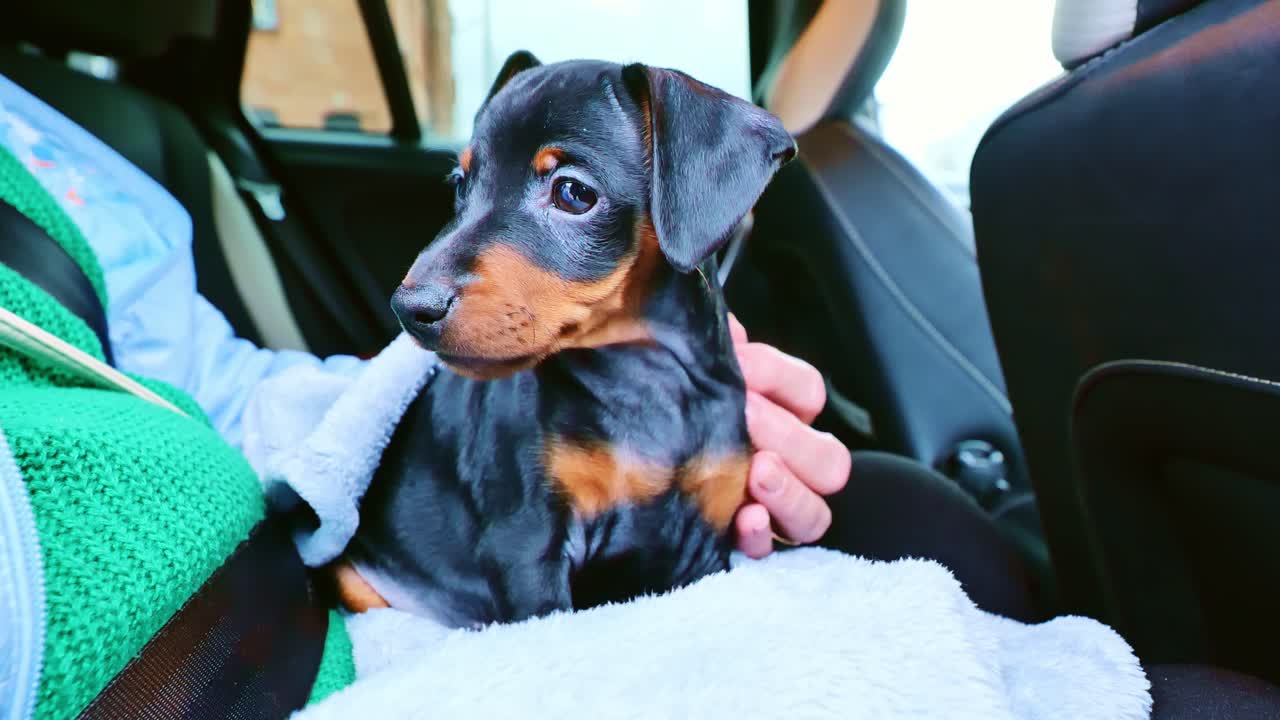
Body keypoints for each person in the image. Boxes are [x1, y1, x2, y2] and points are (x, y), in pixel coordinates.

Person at [0, 70, 850, 558]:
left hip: (265, 448)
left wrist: (610, 395)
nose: (420, 286)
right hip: (198, 592)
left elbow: (217, 391)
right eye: (467, 186)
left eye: (572, 192)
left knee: (901, 509)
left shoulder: (56, 137)